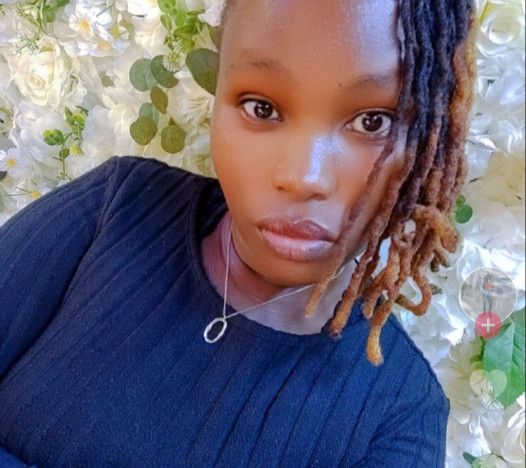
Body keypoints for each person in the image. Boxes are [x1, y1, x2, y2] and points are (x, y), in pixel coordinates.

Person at [0, 0, 476, 466]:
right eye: (261, 107)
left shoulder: (398, 419)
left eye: (373, 121)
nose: (302, 177)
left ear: (432, 143)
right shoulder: (115, 206)